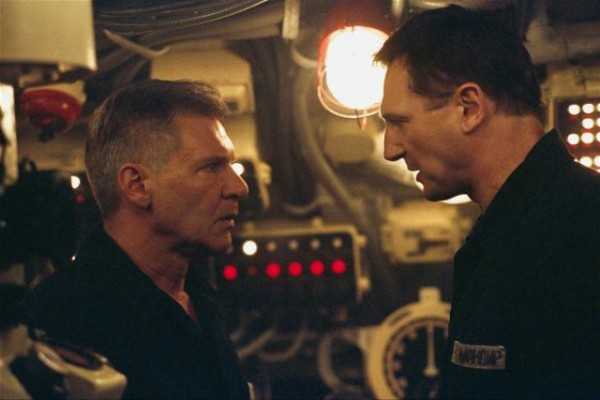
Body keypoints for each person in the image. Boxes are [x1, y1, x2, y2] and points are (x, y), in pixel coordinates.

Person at [375, 5, 600, 399]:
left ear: (469, 108)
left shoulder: (582, 231)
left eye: (399, 122)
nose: (390, 149)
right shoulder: (512, 235)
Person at [25, 80, 252, 399]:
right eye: (212, 166)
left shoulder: (198, 293)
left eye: (230, 165)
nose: (239, 187)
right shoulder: (59, 320)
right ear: (137, 185)